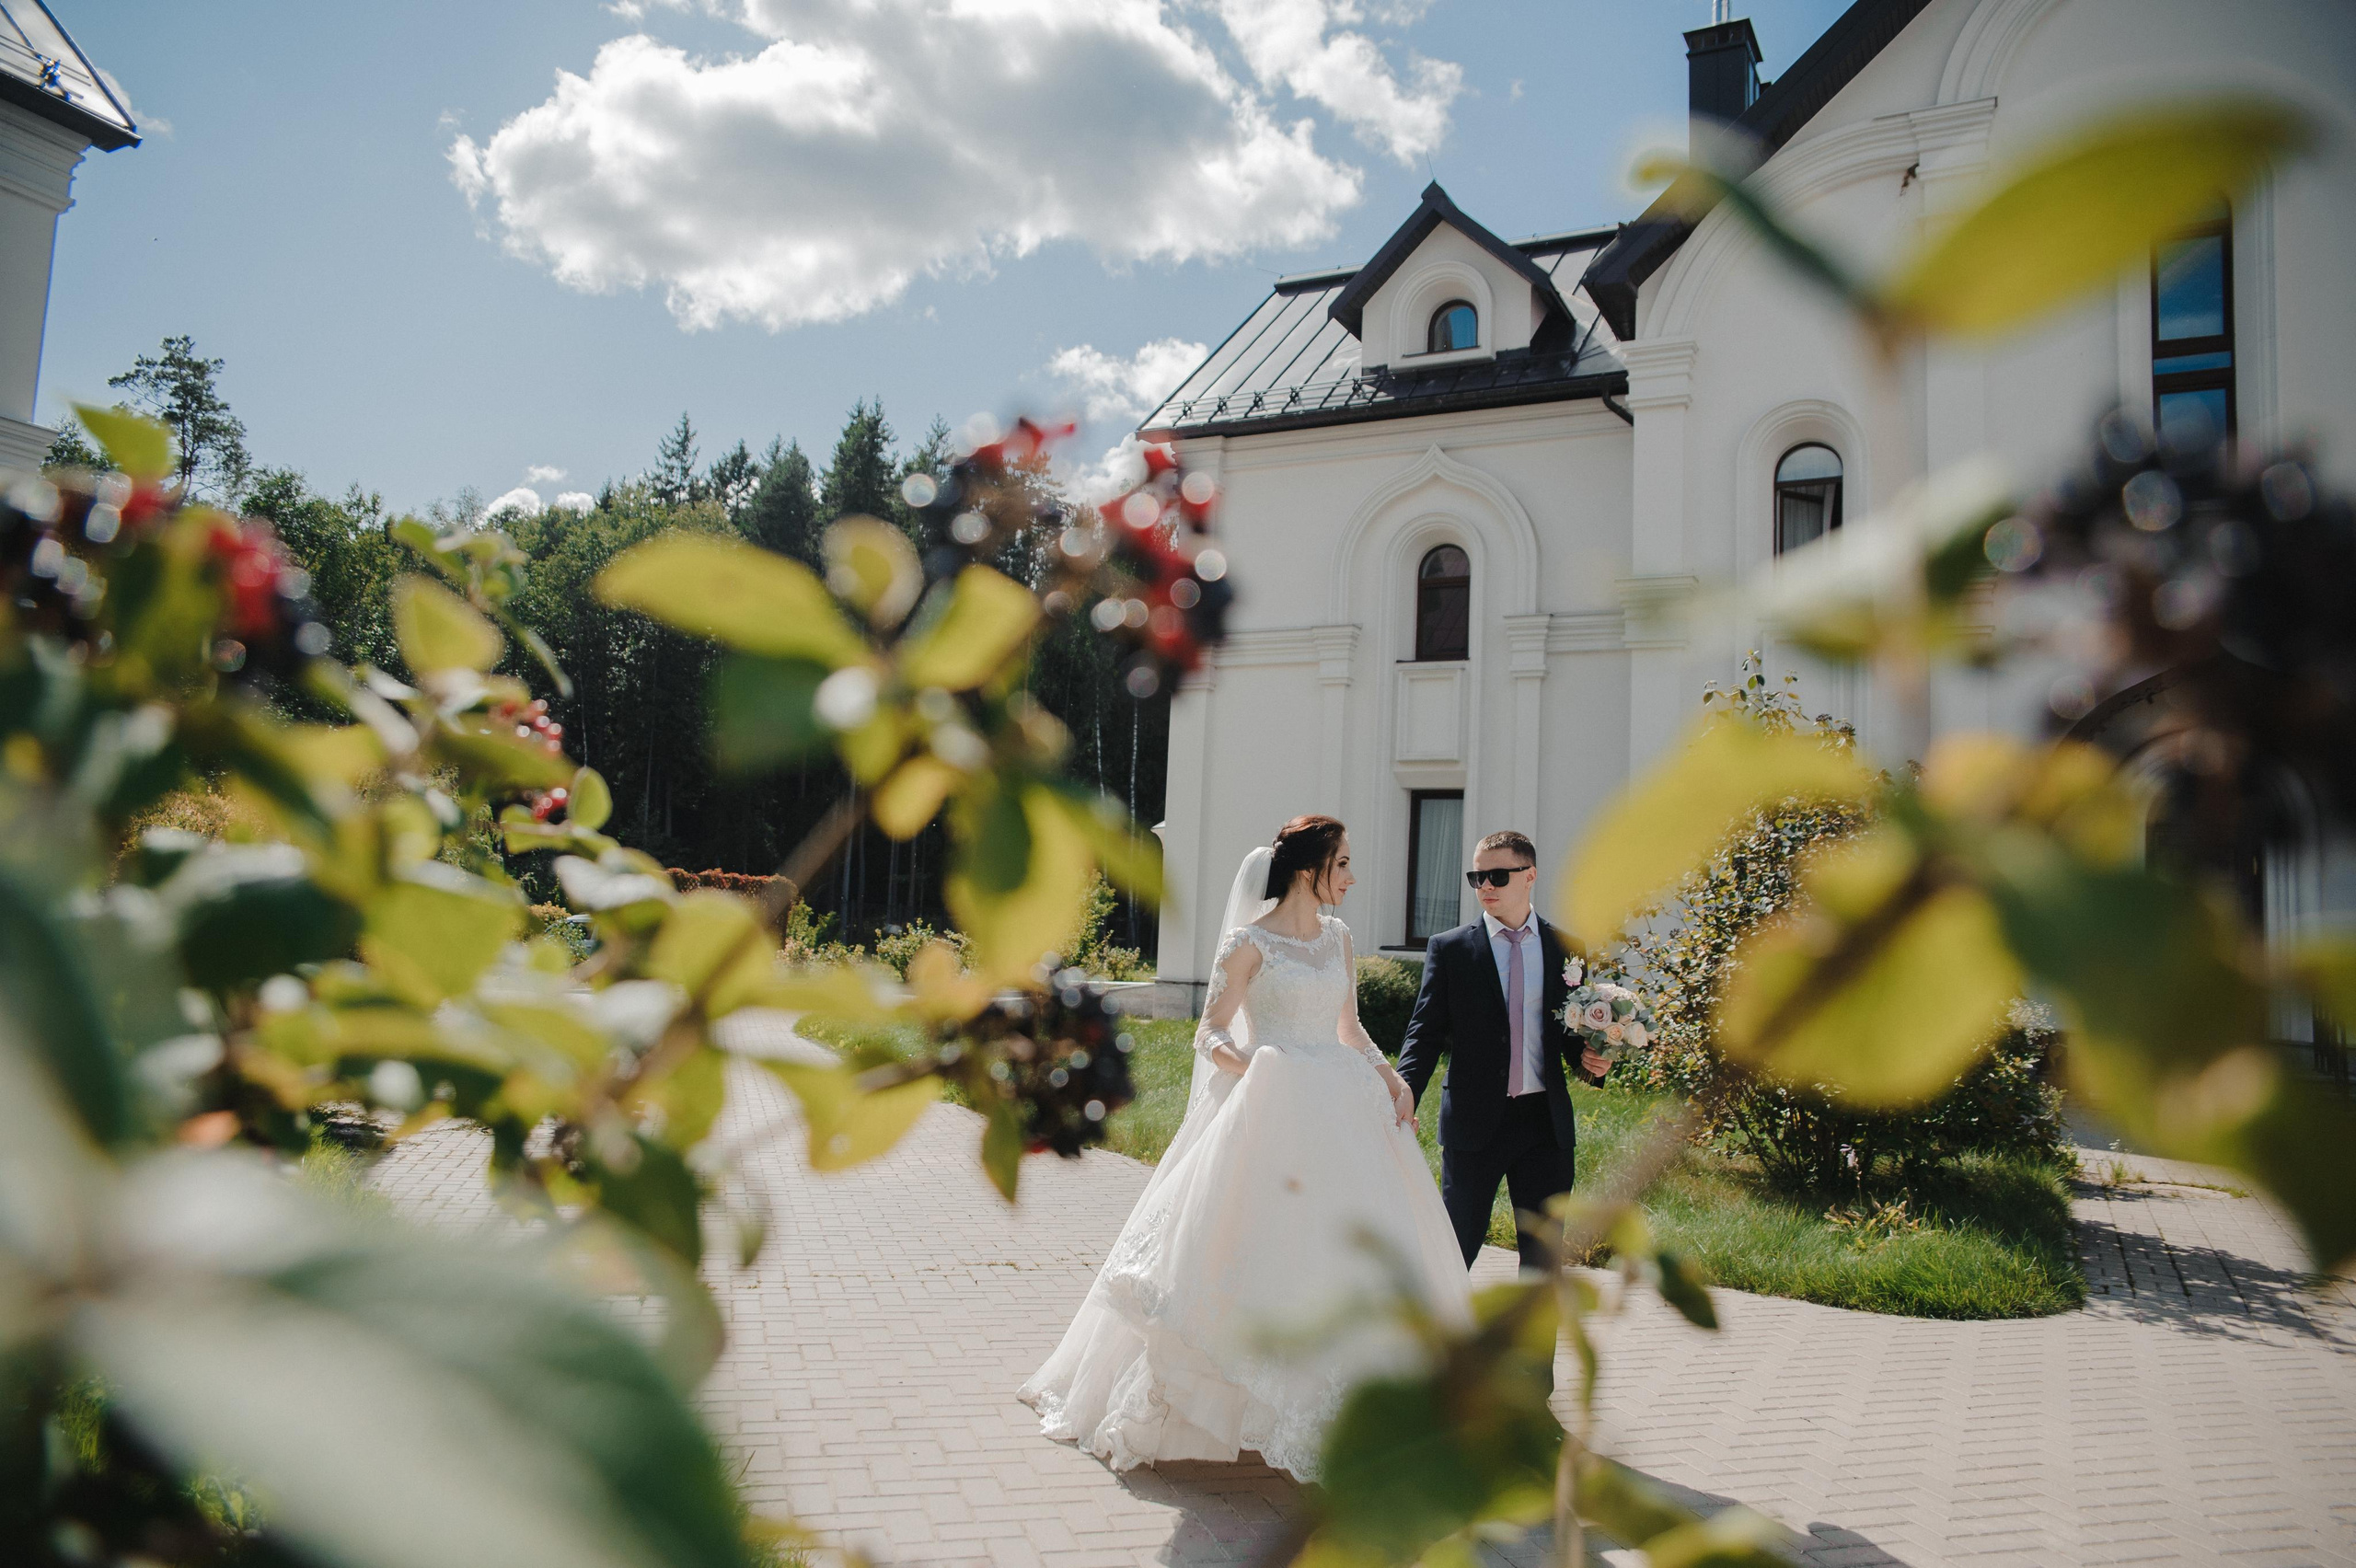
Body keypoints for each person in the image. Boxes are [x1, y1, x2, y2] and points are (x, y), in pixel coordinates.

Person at [1019, 815, 1471, 1482]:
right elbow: (1209, 1034)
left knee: (1349, 1255)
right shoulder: (1250, 944)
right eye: (1341, 863)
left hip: (1343, 1114)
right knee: (1247, 1249)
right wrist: (1257, 1066)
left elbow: (1349, 1028)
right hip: (1271, 1111)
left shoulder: (1339, 940)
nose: (1351, 876)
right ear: (1306, 869)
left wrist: (1389, 1075)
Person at [1396, 829, 1610, 1275]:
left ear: (1529, 875)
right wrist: (1404, 1092)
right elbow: (1425, 1033)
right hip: (1474, 1126)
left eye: (1497, 875)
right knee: (1455, 1253)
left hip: (1543, 1128)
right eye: (1477, 877)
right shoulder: (1451, 949)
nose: (1486, 887)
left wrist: (1592, 1062)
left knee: (1542, 1264)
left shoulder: (1566, 949)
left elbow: (1570, 1031)